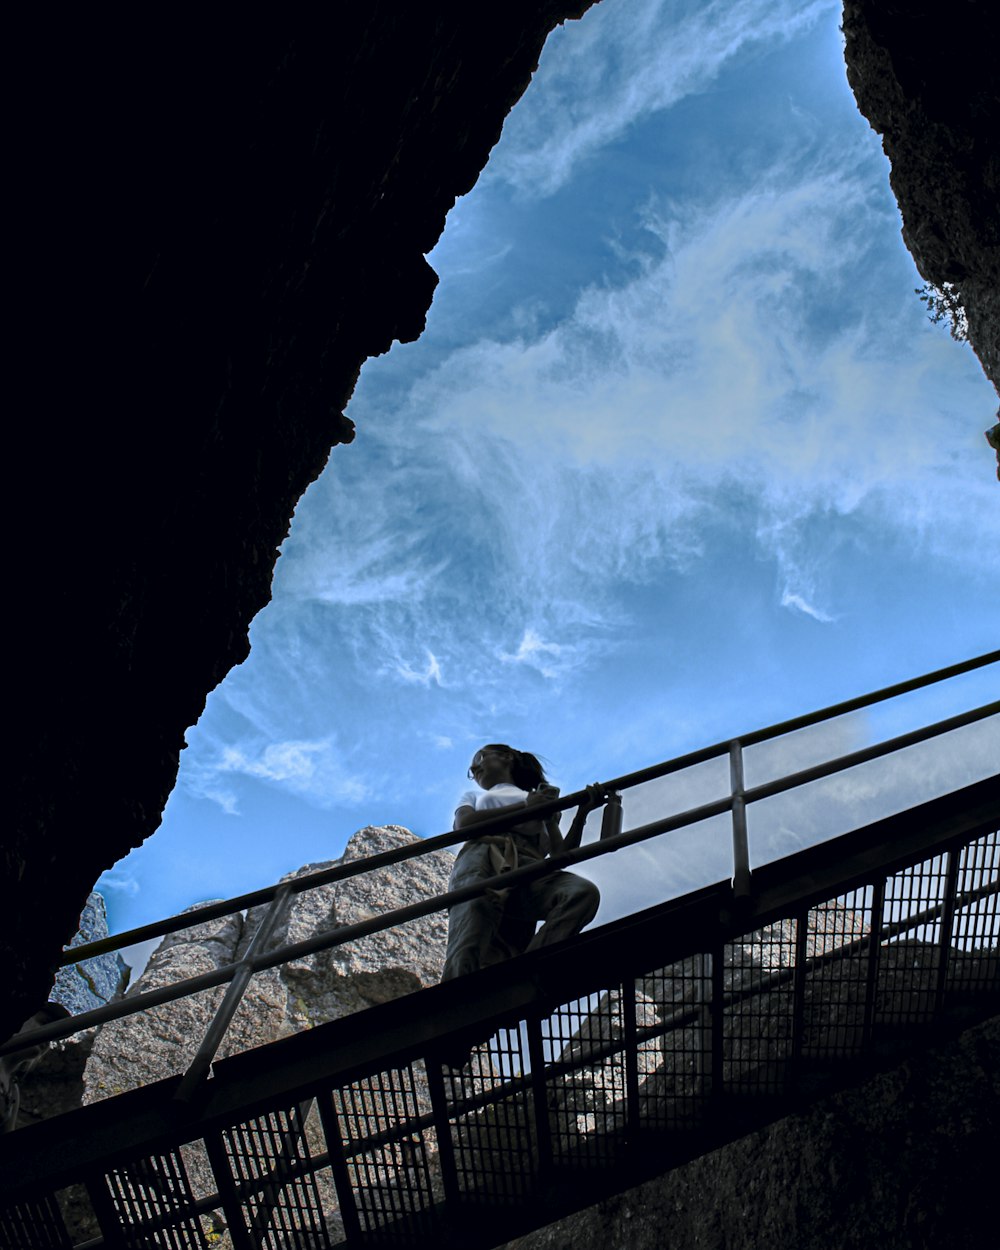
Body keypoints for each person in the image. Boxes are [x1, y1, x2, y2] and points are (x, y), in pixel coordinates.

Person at [441, 744, 603, 982]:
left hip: (530, 864)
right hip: (483, 854)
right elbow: (464, 824)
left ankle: (531, 972)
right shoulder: (474, 796)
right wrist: (526, 807)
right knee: (472, 923)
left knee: (581, 892)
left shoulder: (541, 798)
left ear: (506, 757)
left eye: (481, 757)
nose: (474, 767)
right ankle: (453, 1004)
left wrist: (581, 814)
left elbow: (559, 853)